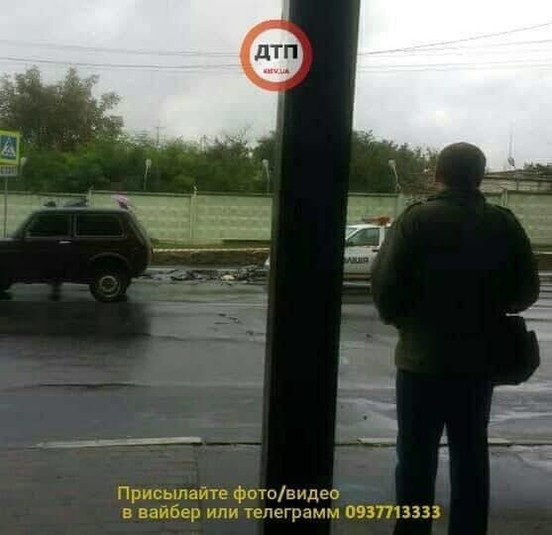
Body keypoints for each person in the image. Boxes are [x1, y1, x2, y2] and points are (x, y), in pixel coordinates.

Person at [370, 142, 539, 535]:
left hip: (420, 362)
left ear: (437, 175)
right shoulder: (502, 223)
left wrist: (408, 322)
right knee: (471, 456)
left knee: (415, 459)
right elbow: (526, 292)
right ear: (480, 177)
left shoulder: (415, 220)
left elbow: (386, 287)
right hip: (478, 363)